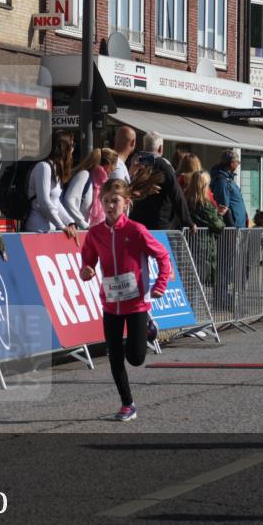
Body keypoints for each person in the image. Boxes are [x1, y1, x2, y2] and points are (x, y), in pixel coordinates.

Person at [80, 176, 172, 422]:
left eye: (115, 201)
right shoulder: (95, 234)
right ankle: (127, 404)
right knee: (114, 355)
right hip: (110, 304)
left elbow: (163, 257)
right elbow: (87, 262)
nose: (110, 206)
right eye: (106, 201)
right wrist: (86, 271)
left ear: (126, 203)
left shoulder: (136, 231)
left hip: (136, 303)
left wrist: (160, 284)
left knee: (136, 357)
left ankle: (147, 328)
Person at [24, 130, 79, 240]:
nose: (73, 149)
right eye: (72, 145)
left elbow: (55, 202)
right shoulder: (43, 167)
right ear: (63, 148)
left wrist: (69, 222)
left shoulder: (54, 169)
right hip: (36, 229)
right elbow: (44, 202)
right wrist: (62, 226)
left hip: (49, 228)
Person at [127, 148, 195, 231]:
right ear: (160, 148)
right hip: (157, 225)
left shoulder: (133, 161)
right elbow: (176, 194)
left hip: (136, 222)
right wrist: (187, 222)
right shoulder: (162, 165)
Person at [185, 170, 226, 295]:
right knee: (198, 280)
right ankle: (194, 312)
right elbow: (219, 225)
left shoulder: (186, 200)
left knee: (190, 281)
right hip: (203, 246)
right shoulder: (205, 204)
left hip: (189, 244)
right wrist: (219, 215)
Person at [61, 147, 98, 229]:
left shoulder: (96, 184)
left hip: (83, 231)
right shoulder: (84, 175)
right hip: (73, 230)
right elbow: (69, 200)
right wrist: (84, 225)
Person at [210, 149, 248, 228]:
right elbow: (223, 207)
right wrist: (232, 226)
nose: (238, 164)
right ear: (232, 163)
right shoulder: (222, 181)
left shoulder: (228, 179)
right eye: (238, 162)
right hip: (232, 229)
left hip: (238, 225)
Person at [87, 148, 119, 227]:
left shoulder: (104, 182)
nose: (115, 168)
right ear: (108, 165)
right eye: (115, 165)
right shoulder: (90, 177)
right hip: (85, 225)